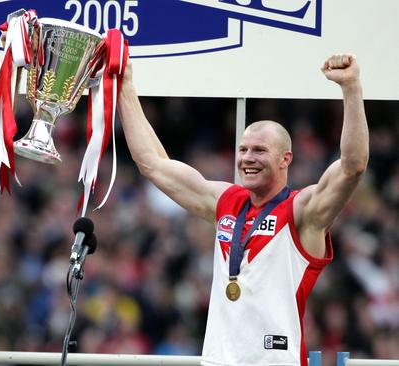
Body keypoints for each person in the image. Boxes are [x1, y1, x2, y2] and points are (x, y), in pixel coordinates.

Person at [118, 54, 368, 366]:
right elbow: (152, 164)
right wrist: (125, 85)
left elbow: (352, 167)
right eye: (243, 149)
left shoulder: (302, 211)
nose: (247, 158)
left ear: (285, 159)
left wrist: (351, 88)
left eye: (260, 150)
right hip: (218, 361)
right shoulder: (226, 200)